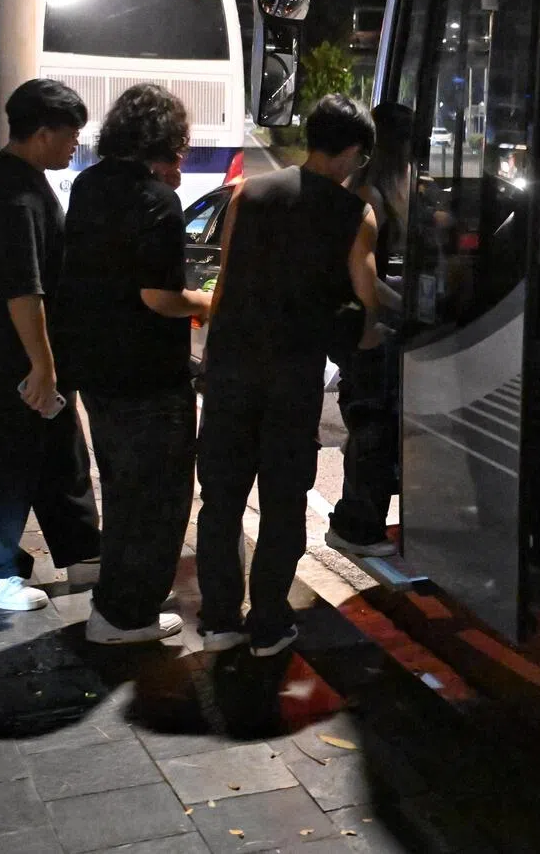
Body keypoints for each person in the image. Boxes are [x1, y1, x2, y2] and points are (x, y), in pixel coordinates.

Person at [196, 94, 380, 657]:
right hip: (293, 375)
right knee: (281, 501)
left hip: (230, 367)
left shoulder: (249, 192)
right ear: (350, 152)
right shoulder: (355, 214)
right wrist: (367, 341)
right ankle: (270, 622)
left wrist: (211, 356)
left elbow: (223, 282)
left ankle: (220, 619)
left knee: (222, 500)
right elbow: (367, 299)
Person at [53, 83, 211, 645]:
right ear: (163, 142)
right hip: (147, 374)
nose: (184, 157)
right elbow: (160, 297)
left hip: (97, 368)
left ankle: (122, 594)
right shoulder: (155, 201)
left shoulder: (91, 184)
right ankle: (125, 616)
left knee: (123, 487)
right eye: (181, 145)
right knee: (159, 496)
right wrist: (211, 301)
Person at [0, 79, 101, 612]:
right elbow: (24, 289)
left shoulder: (20, 177)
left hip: (18, 358)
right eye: (69, 136)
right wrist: (41, 365)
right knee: (6, 464)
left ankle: (84, 551)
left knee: (61, 454)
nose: (74, 147)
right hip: (9, 363)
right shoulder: (17, 195)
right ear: (42, 133)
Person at [325, 102, 413, 557]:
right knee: (371, 428)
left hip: (379, 328)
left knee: (377, 429)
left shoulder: (389, 187)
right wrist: (409, 306)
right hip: (367, 332)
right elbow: (365, 278)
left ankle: (361, 519)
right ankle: (356, 524)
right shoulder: (368, 195)